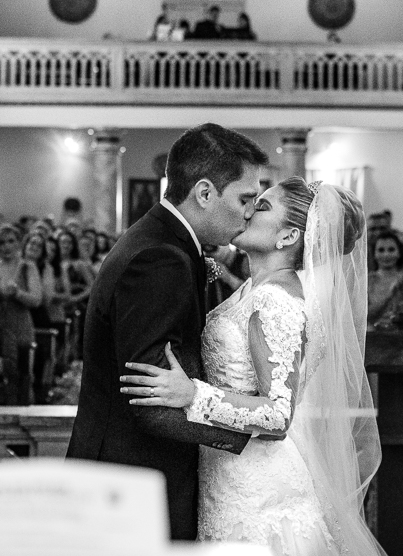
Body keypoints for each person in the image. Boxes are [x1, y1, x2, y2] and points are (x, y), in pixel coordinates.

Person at [120, 178, 385, 555]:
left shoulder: (275, 301)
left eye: (261, 207)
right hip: (229, 471)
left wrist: (192, 394)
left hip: (259, 488)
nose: (247, 211)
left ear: (288, 236)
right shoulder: (254, 289)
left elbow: (279, 415)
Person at [67, 123, 267, 540]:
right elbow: (152, 401)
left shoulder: (161, 241)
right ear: (205, 193)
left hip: (131, 478)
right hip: (135, 487)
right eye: (245, 198)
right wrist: (258, 434)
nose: (250, 212)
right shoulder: (161, 259)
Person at [0, 224, 43, 350]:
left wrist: (17, 293)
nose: (6, 246)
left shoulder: (28, 267)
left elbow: (36, 300)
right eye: (1, 242)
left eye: (11, 241)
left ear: (18, 243)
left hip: (20, 328)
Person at [367, 230, 403, 327]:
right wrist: (389, 295)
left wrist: (401, 289)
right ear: (374, 254)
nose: (386, 255)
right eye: (381, 250)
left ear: (399, 253)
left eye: (391, 249)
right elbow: (365, 316)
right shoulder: (367, 280)